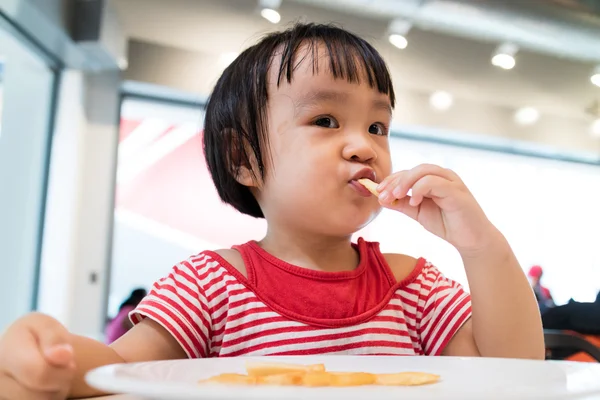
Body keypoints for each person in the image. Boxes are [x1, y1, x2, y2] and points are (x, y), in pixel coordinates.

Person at [0, 23, 544, 399]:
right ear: (243, 159)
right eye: (327, 121)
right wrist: (52, 356)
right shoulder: (211, 284)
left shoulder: (412, 285)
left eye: (377, 126)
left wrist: (480, 245)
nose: (364, 146)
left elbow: (514, 374)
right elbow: (122, 369)